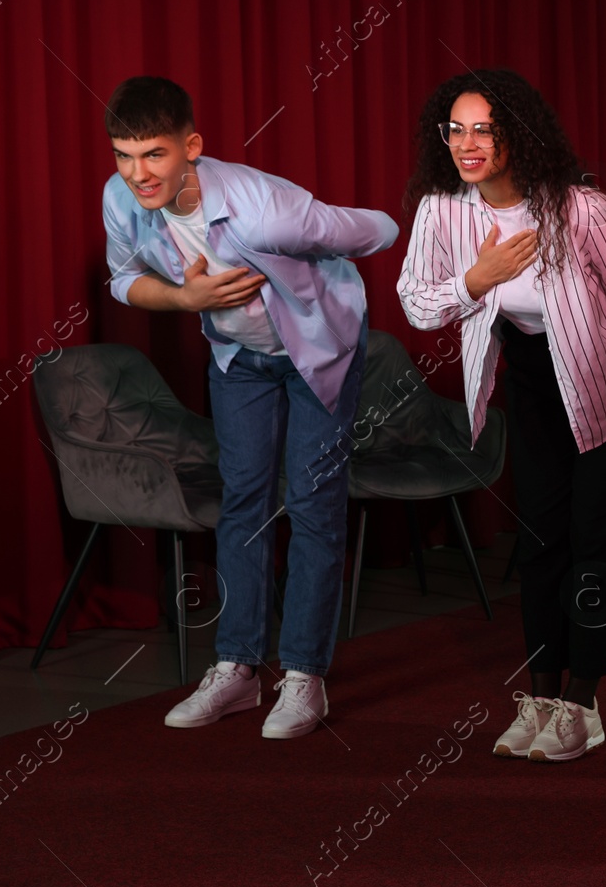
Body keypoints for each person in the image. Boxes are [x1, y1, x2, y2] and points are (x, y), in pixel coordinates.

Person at [102, 76, 398, 739]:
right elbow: (122, 279)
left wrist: (339, 245)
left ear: (192, 147)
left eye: (152, 154)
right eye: (123, 155)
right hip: (240, 359)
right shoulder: (121, 201)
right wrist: (184, 300)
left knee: (316, 503)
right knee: (244, 501)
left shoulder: (268, 211)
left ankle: (304, 676)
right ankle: (237, 666)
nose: (136, 173)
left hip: (318, 348)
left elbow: (375, 229)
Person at [398, 68, 606, 763]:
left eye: (484, 128)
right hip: (530, 382)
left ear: (518, 133)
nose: (468, 143)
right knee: (542, 539)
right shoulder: (444, 211)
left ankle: (583, 702)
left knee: (594, 542)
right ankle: (542, 696)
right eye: (455, 129)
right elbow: (418, 303)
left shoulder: (582, 210)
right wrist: (474, 281)